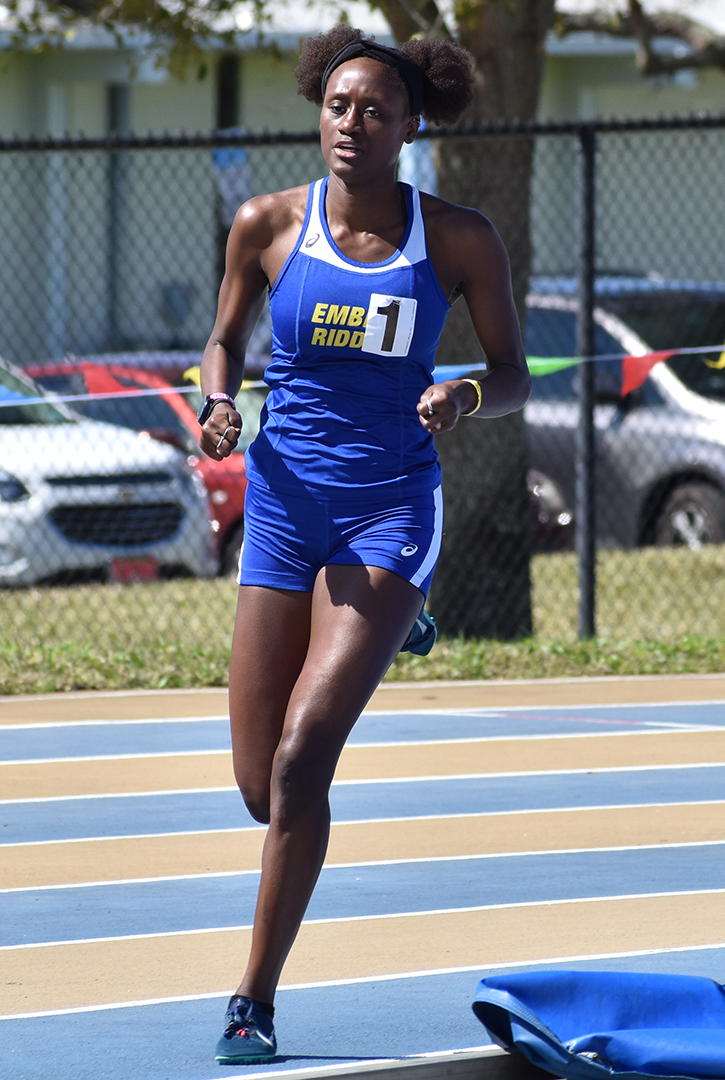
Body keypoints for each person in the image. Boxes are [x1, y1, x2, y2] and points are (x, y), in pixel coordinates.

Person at [193, 26, 530, 1065]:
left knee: (302, 767)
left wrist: (463, 390)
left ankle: (253, 1001)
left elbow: (513, 372)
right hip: (286, 509)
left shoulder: (459, 237)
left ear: (410, 126)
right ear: (319, 109)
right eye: (338, 105)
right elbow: (223, 344)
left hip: (390, 512)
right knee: (260, 790)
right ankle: (399, 621)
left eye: (374, 110)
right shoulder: (267, 224)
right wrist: (213, 404)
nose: (352, 124)